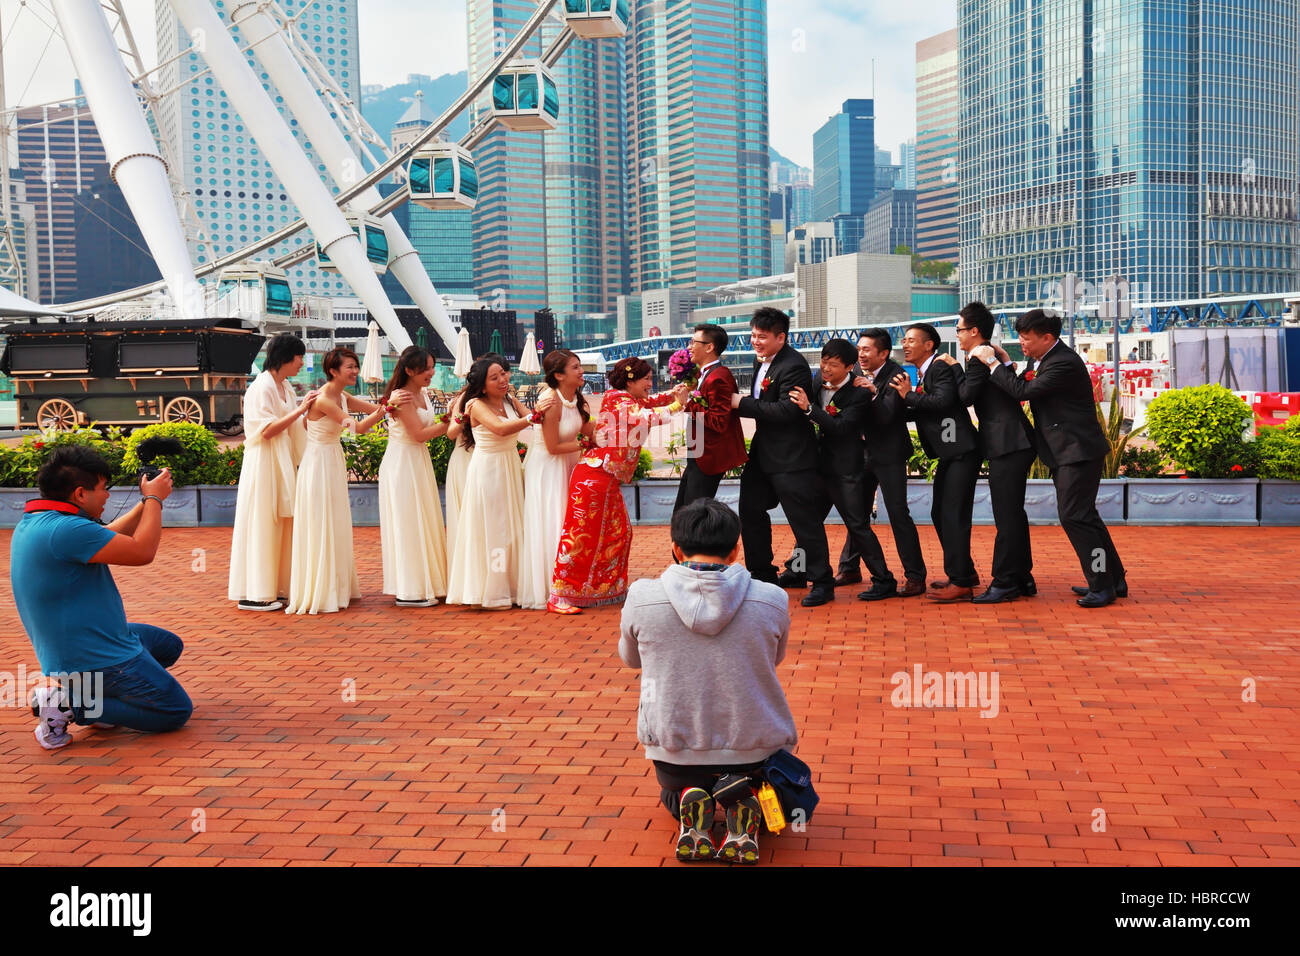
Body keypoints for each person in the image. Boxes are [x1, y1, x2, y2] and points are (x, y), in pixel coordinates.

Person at [619, 498, 798, 864]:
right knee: (771, 798)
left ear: (675, 548)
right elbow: (774, 658)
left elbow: (630, 659)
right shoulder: (772, 598)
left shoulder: (641, 597)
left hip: (675, 749)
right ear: (735, 550)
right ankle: (740, 801)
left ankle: (692, 799)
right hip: (754, 750)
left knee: (675, 796)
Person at [12, 446, 192, 749]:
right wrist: (155, 500)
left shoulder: (41, 522)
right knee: (174, 710)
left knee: (168, 646)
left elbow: (105, 535)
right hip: (91, 657)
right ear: (80, 494)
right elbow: (142, 552)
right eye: (103, 489)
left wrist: (147, 501)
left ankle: (97, 699)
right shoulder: (65, 530)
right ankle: (68, 704)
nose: (108, 495)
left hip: (81, 646)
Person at [979, 309, 1128, 607]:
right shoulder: (1044, 358)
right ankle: (1113, 578)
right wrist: (1007, 363)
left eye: (1026, 339)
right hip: (1066, 451)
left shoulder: (1063, 363)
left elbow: (1023, 391)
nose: (1022, 344)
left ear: (1047, 337)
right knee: (1086, 517)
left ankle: (1102, 585)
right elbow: (1022, 381)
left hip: (1077, 452)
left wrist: (994, 364)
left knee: (1075, 517)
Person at [550, 357, 686, 612]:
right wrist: (679, 404)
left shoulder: (629, 398)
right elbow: (647, 416)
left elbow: (653, 402)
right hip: (593, 477)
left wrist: (676, 393)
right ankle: (561, 596)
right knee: (581, 537)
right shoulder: (618, 400)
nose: (650, 383)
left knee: (618, 533)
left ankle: (603, 588)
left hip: (605, 477)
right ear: (631, 379)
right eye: (646, 379)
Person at [730, 307, 834, 608]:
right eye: (752, 336)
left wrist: (741, 403)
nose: (755, 342)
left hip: (792, 457)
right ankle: (762, 574)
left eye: (762, 337)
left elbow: (788, 411)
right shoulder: (760, 360)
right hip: (763, 454)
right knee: (750, 510)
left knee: (804, 521)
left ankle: (822, 581)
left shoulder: (794, 366)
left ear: (781, 337)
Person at [938, 302, 1037, 603]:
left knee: (1006, 515)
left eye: (959, 330)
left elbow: (966, 395)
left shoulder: (978, 356)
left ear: (974, 331)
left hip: (1007, 442)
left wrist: (955, 368)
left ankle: (1005, 582)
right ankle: (1022, 577)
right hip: (1014, 440)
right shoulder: (989, 353)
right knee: (1013, 514)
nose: (957, 336)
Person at [284, 347, 395, 615]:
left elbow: (373, 408)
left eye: (356, 366)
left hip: (333, 461)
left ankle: (337, 584)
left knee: (335, 521)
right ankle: (321, 590)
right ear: (333, 371)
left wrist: (393, 406)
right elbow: (355, 429)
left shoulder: (341, 395)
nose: (355, 371)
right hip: (318, 465)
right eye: (350, 367)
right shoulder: (323, 400)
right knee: (321, 522)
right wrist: (384, 413)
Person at [784, 338, 895, 595]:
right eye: (823, 362)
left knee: (857, 525)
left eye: (833, 365)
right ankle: (797, 570)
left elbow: (841, 428)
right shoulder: (815, 382)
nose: (826, 369)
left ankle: (884, 580)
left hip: (847, 470)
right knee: (809, 523)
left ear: (849, 367)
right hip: (818, 467)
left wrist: (809, 409)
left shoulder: (859, 394)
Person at [889, 323, 981, 602]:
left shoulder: (938, 368)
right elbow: (925, 408)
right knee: (940, 513)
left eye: (911, 341)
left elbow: (942, 402)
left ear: (929, 345)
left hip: (961, 451)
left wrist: (908, 396)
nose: (905, 345)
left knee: (952, 515)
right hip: (951, 454)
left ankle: (961, 582)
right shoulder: (923, 373)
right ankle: (964, 572)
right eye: (903, 340)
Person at [228, 333, 317, 612]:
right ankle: (256, 592)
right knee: (262, 522)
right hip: (264, 462)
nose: (302, 362)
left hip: (282, 461)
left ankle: (276, 586)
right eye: (299, 357)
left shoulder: (285, 386)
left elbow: (291, 424)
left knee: (281, 523)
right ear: (285, 358)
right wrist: (301, 410)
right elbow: (264, 430)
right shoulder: (261, 388)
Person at [445, 355, 542, 609]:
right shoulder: (475, 404)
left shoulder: (509, 399)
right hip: (489, 470)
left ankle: (512, 585)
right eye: (494, 377)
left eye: (503, 374)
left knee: (512, 527)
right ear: (482, 384)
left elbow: (530, 417)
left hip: (510, 465)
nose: (502, 380)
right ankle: (493, 589)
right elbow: (500, 428)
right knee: (495, 529)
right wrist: (535, 417)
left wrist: (533, 414)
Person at [839, 329, 928, 599]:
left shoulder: (897, 375)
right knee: (857, 512)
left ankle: (915, 576)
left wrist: (873, 392)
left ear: (883, 353)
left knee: (898, 513)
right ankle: (850, 567)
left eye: (867, 350)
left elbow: (888, 414)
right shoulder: (852, 371)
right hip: (860, 452)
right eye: (859, 349)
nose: (861, 355)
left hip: (889, 454)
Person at [518, 350, 592, 610]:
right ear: (559, 375)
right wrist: (585, 443)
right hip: (549, 468)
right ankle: (554, 592)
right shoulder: (551, 401)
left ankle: (570, 584)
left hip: (569, 464)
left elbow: (588, 430)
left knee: (570, 523)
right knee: (555, 523)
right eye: (575, 367)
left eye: (580, 366)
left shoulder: (575, 398)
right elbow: (552, 446)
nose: (581, 371)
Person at [378, 346, 451, 608]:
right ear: (409, 370)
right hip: (402, 463)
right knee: (408, 522)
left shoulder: (422, 393)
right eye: (426, 368)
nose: (431, 373)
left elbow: (426, 428)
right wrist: (453, 423)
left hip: (417, 460)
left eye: (432, 367)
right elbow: (418, 434)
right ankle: (410, 589)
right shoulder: (402, 397)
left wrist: (448, 418)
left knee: (424, 518)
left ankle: (428, 580)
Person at [673, 324, 746, 511]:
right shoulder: (705, 374)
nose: (689, 347)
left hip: (708, 458)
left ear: (709, 347)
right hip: (698, 455)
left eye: (693, 342)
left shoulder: (719, 378)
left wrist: (687, 403)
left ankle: (695, 541)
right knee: (683, 510)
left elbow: (719, 422)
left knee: (693, 513)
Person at [443, 388, 472, 558]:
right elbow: (451, 433)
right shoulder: (465, 399)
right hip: (465, 459)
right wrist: (465, 416)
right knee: (466, 518)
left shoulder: (507, 399)